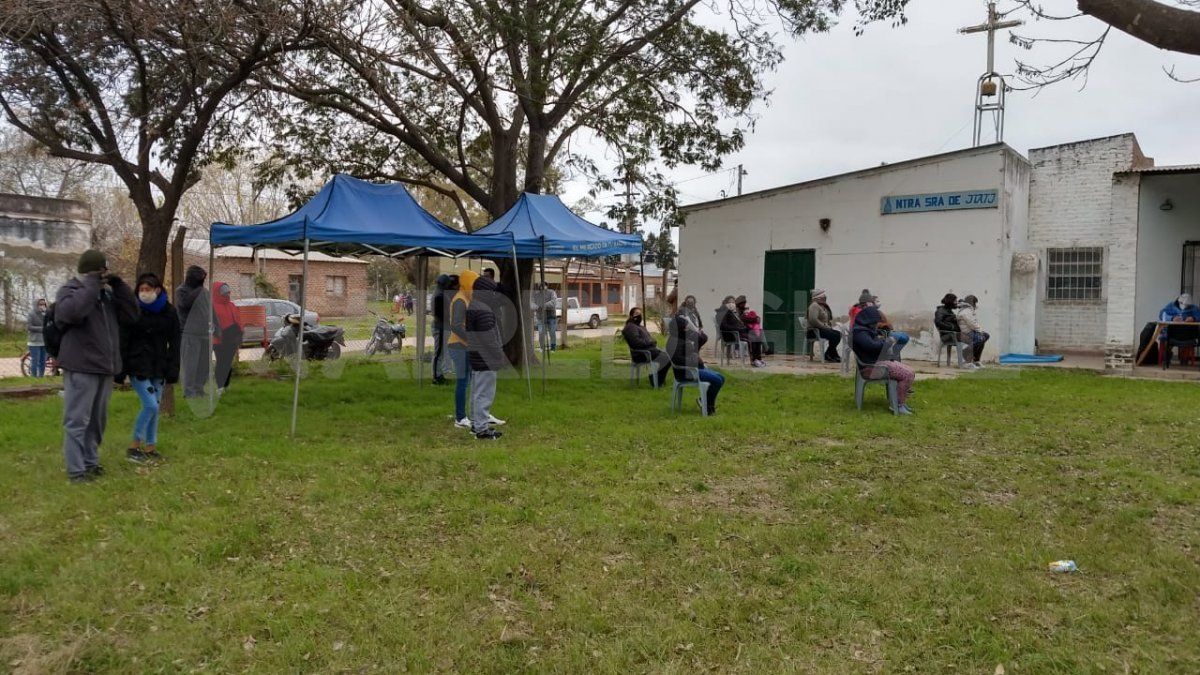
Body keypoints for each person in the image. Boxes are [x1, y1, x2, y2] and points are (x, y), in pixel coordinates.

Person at [54, 249, 137, 483]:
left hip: (104, 366)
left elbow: (132, 315)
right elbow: (73, 313)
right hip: (81, 366)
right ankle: (76, 471)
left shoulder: (106, 296)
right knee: (77, 420)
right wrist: (91, 284)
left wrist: (119, 286)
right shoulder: (70, 291)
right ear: (92, 272)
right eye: (101, 271)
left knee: (97, 421)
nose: (104, 275)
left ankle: (91, 462)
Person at [121, 273, 180, 464]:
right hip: (138, 365)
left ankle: (151, 447)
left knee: (154, 407)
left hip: (159, 365)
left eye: (148, 289)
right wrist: (121, 367)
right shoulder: (133, 311)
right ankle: (133, 446)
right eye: (141, 290)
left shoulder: (169, 312)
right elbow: (124, 339)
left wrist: (173, 366)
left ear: (158, 290)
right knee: (151, 405)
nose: (144, 293)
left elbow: (176, 341)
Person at [466, 271, 509, 440]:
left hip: (477, 356)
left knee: (477, 392)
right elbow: (489, 338)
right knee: (484, 393)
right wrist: (499, 355)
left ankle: (476, 424)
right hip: (486, 358)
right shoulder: (484, 310)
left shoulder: (474, 306)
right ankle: (482, 429)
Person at [851, 305, 917, 415]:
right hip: (871, 368)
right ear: (869, 320)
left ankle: (900, 402)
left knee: (910, 371)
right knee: (907, 374)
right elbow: (872, 347)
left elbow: (874, 346)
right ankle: (897, 405)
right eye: (876, 321)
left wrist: (884, 341)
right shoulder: (860, 333)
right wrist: (888, 341)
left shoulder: (864, 330)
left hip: (875, 363)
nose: (877, 324)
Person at [666, 312, 724, 414]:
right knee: (717, 380)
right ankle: (708, 406)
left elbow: (702, 338)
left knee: (721, 377)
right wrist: (695, 360)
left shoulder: (683, 337)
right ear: (679, 329)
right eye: (685, 327)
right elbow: (678, 360)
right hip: (686, 372)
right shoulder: (673, 341)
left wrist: (695, 329)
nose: (687, 329)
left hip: (696, 368)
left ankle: (703, 401)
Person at [175, 265, 210, 398]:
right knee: (191, 364)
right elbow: (185, 304)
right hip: (188, 333)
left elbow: (209, 309)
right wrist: (199, 290)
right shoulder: (181, 290)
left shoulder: (204, 292)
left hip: (204, 332)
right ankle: (189, 391)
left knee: (204, 365)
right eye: (200, 279)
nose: (203, 282)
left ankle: (199, 388)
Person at [622, 307, 670, 387]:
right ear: (631, 316)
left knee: (667, 357)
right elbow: (636, 343)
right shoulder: (630, 327)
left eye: (640, 314)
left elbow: (649, 338)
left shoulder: (641, 327)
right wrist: (650, 342)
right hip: (640, 354)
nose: (639, 316)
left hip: (648, 350)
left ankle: (657, 379)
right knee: (666, 359)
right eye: (637, 314)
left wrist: (652, 342)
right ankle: (655, 380)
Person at [211, 282, 244, 392]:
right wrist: (218, 334)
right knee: (221, 362)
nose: (227, 295)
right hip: (219, 340)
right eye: (224, 293)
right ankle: (220, 386)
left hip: (232, 339)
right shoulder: (212, 306)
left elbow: (238, 320)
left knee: (228, 363)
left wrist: (240, 334)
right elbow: (211, 324)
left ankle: (226, 385)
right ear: (217, 293)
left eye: (228, 293)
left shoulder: (232, 305)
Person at [805, 289, 842, 362]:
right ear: (818, 297)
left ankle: (830, 353)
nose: (825, 297)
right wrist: (825, 327)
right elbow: (813, 320)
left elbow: (825, 319)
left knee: (838, 334)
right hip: (814, 331)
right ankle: (830, 354)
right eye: (823, 296)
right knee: (835, 335)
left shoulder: (822, 306)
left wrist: (830, 324)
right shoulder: (814, 305)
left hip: (820, 329)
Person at [955, 294, 988, 368]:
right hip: (966, 332)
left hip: (971, 331)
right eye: (975, 303)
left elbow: (973, 323)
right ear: (972, 303)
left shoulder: (969, 310)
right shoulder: (966, 311)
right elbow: (972, 324)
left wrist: (980, 331)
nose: (976, 305)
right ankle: (967, 357)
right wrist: (980, 331)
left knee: (986, 336)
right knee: (980, 338)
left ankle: (976, 360)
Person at [734, 295, 767, 366]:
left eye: (744, 303)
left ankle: (758, 358)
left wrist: (755, 318)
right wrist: (755, 319)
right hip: (741, 333)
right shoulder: (737, 312)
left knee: (758, 337)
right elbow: (745, 319)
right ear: (740, 304)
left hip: (748, 331)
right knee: (752, 339)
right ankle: (753, 360)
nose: (744, 304)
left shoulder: (745, 310)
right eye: (743, 303)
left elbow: (755, 317)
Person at [431, 274, 451, 385]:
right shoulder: (440, 295)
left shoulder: (438, 293)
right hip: (440, 326)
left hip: (441, 325)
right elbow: (441, 313)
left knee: (441, 352)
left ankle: (439, 374)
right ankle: (436, 377)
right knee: (438, 353)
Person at [534, 282, 559, 352]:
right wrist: (537, 307)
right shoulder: (536, 294)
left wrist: (544, 305)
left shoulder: (552, 292)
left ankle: (553, 348)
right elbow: (532, 303)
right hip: (540, 317)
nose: (542, 287)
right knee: (541, 333)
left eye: (544, 285)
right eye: (541, 286)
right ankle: (542, 348)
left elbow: (554, 302)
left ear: (546, 286)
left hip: (551, 316)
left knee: (552, 332)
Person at [26, 298, 48, 377]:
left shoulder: (46, 314)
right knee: (35, 361)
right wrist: (42, 329)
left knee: (43, 361)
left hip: (44, 341)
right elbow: (29, 327)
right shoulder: (31, 314)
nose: (42, 306)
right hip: (34, 342)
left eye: (43, 304)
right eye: (40, 304)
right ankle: (34, 377)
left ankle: (41, 377)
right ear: (36, 305)